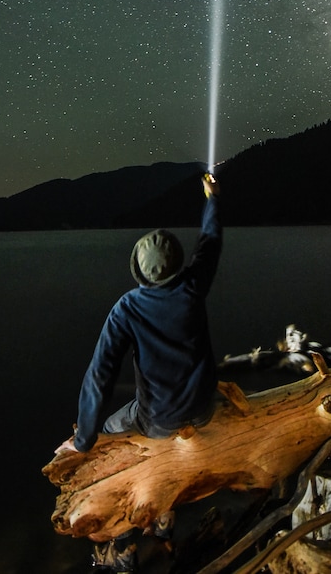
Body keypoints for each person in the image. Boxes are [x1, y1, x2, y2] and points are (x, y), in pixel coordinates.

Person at [55, 172, 222, 571]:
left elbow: (100, 376)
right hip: (204, 407)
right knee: (134, 418)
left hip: (160, 419)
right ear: (177, 263)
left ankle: (124, 544)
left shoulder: (127, 308)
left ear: (141, 271)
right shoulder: (194, 284)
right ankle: (164, 524)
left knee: (115, 430)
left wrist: (83, 438)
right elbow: (211, 241)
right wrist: (212, 199)